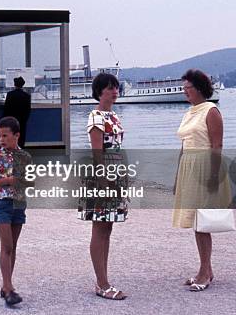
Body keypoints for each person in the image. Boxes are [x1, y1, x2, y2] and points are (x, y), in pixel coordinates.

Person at [173, 69, 231, 292]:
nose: (185, 92)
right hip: (189, 167)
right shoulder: (189, 112)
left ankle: (205, 272)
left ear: (199, 88)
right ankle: (205, 269)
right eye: (184, 88)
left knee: (202, 221)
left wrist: (214, 176)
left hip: (206, 166)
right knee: (195, 221)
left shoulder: (211, 111)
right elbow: (184, 144)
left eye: (188, 88)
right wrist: (178, 175)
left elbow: (217, 145)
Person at [78, 72, 128, 300]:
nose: (114, 92)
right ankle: (102, 283)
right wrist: (103, 178)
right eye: (109, 88)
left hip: (116, 172)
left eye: (116, 88)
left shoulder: (114, 116)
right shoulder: (96, 116)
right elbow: (97, 151)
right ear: (99, 91)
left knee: (108, 226)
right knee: (100, 227)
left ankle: (104, 279)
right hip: (103, 174)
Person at [0, 116, 31, 307]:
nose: (1, 139)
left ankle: (6, 284)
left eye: (5, 135)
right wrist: (7, 181)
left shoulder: (25, 157)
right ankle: (9, 288)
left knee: (13, 246)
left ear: (16, 136)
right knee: (7, 246)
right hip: (2, 204)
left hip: (18, 203)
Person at [3, 76, 31, 148]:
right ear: (23, 85)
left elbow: (6, 108)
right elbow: (28, 109)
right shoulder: (27, 96)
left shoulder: (10, 94)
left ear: (15, 84)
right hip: (22, 120)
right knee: (21, 135)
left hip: (11, 119)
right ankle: (20, 148)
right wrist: (25, 119)